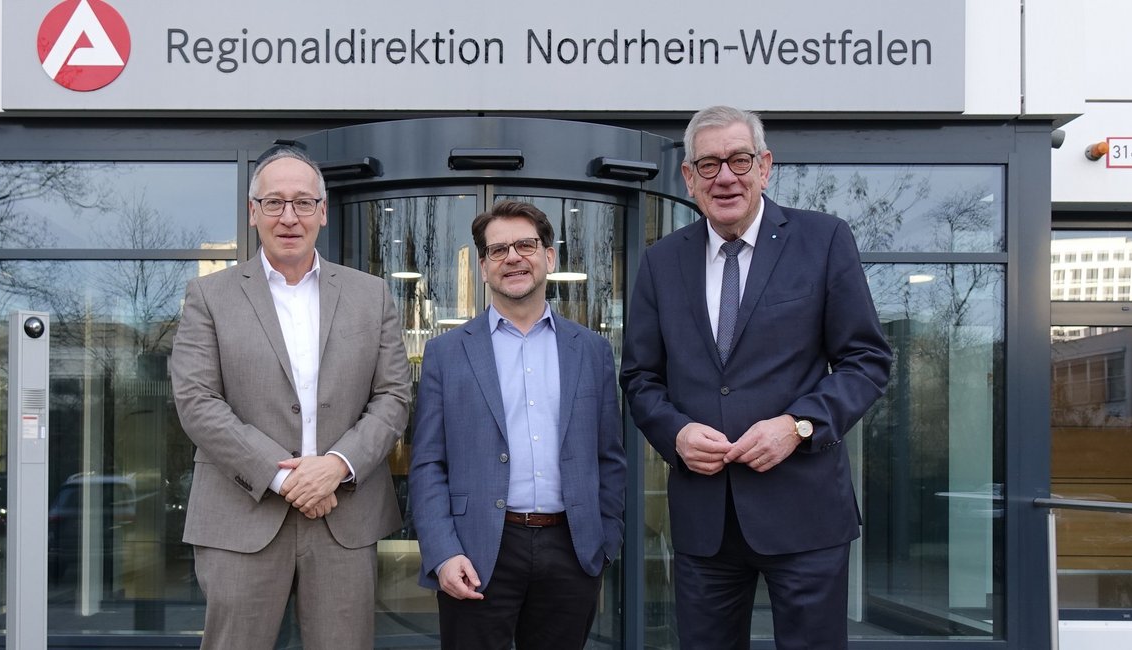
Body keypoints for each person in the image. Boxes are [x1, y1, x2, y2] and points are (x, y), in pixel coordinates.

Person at [621, 105, 894, 649]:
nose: (725, 176)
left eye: (739, 160)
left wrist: (797, 426)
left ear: (764, 167)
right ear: (689, 177)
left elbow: (866, 360)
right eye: (709, 164)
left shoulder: (823, 240)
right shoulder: (661, 262)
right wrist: (676, 434)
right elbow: (640, 377)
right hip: (705, 520)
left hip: (806, 513)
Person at [169, 147, 410, 650]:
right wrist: (285, 478)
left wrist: (337, 466)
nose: (288, 216)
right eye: (274, 202)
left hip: (344, 516)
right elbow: (197, 401)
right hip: (241, 514)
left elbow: (393, 395)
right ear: (252, 211)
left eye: (302, 202)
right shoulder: (209, 296)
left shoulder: (371, 295)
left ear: (323, 212)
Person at [409, 200, 626, 650]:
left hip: (572, 549)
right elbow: (428, 464)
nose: (513, 258)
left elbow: (610, 457)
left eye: (525, 245)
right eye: (498, 250)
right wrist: (443, 553)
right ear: (483, 267)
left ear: (549, 256)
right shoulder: (446, 353)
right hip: (476, 550)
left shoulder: (592, 351)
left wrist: (605, 541)